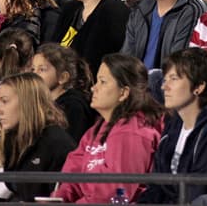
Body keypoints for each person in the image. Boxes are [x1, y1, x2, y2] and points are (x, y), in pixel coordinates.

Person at [51, 54, 164, 204]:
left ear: (123, 93)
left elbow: (117, 194)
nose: (93, 88)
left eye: (102, 82)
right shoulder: (95, 130)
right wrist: (59, 199)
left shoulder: (133, 133)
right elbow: (72, 174)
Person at [142, 48, 207, 202]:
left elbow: (198, 191)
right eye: (165, 80)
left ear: (199, 87)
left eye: (174, 78)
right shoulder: (173, 123)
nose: (163, 87)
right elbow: (156, 184)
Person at [0, 71, 77, 203]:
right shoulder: (12, 139)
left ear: (27, 102)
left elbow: (58, 199)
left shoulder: (56, 143)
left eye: (4, 101)